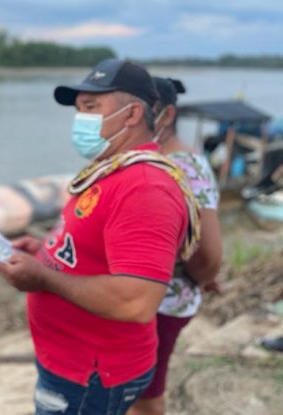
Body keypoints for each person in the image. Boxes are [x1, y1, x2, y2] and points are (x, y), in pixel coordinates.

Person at [0, 59, 201, 415]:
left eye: (91, 107)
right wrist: (45, 251)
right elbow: (94, 247)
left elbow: (136, 302)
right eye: (79, 110)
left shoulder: (145, 188)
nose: (81, 119)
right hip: (71, 362)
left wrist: (42, 277)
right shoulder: (114, 169)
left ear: (132, 113)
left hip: (90, 374)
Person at [127, 77, 222, 415]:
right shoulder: (154, 159)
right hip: (148, 297)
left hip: (162, 301)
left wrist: (199, 276)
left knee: (145, 393)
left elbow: (207, 254)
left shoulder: (183, 166)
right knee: (135, 386)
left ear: (165, 115)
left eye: (136, 111)